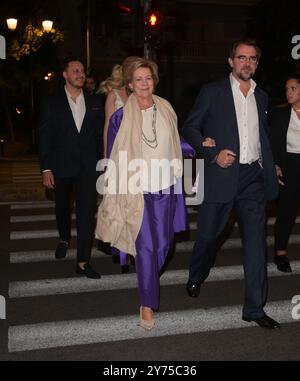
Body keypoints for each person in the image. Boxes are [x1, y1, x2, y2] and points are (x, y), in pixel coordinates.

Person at [183, 39, 280, 329]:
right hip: (222, 175)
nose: (246, 63)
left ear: (256, 64)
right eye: (241, 58)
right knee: (208, 237)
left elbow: (261, 136)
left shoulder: (261, 96)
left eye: (252, 59)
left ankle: (254, 308)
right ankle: (197, 274)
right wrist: (212, 153)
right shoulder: (213, 91)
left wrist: (270, 163)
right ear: (231, 62)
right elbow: (190, 127)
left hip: (253, 178)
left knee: (256, 246)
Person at [95, 57, 196, 330]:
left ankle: (148, 276)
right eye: (138, 79)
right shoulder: (120, 117)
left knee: (164, 246)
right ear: (129, 84)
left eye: (148, 78)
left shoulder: (166, 109)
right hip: (136, 190)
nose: (143, 83)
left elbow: (175, 142)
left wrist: (198, 147)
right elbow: (113, 154)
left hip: (166, 187)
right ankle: (147, 304)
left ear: (154, 81)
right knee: (147, 248)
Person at [39, 57, 104, 279]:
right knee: (62, 207)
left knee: (86, 213)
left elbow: (99, 136)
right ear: (65, 75)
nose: (80, 73)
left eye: (82, 70)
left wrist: (103, 162)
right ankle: (64, 237)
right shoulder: (52, 102)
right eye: (75, 70)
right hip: (61, 165)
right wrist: (46, 168)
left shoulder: (95, 101)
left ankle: (83, 261)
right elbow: (45, 136)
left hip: (87, 167)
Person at [269, 74, 300, 273]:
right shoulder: (280, 114)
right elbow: (271, 141)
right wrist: (275, 164)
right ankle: (280, 253)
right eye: (287, 89)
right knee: (286, 212)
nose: (288, 92)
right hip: (288, 165)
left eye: (293, 88)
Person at [99, 63, 129, 158]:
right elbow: (108, 124)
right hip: (117, 141)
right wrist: (106, 152)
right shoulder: (113, 95)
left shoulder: (135, 94)